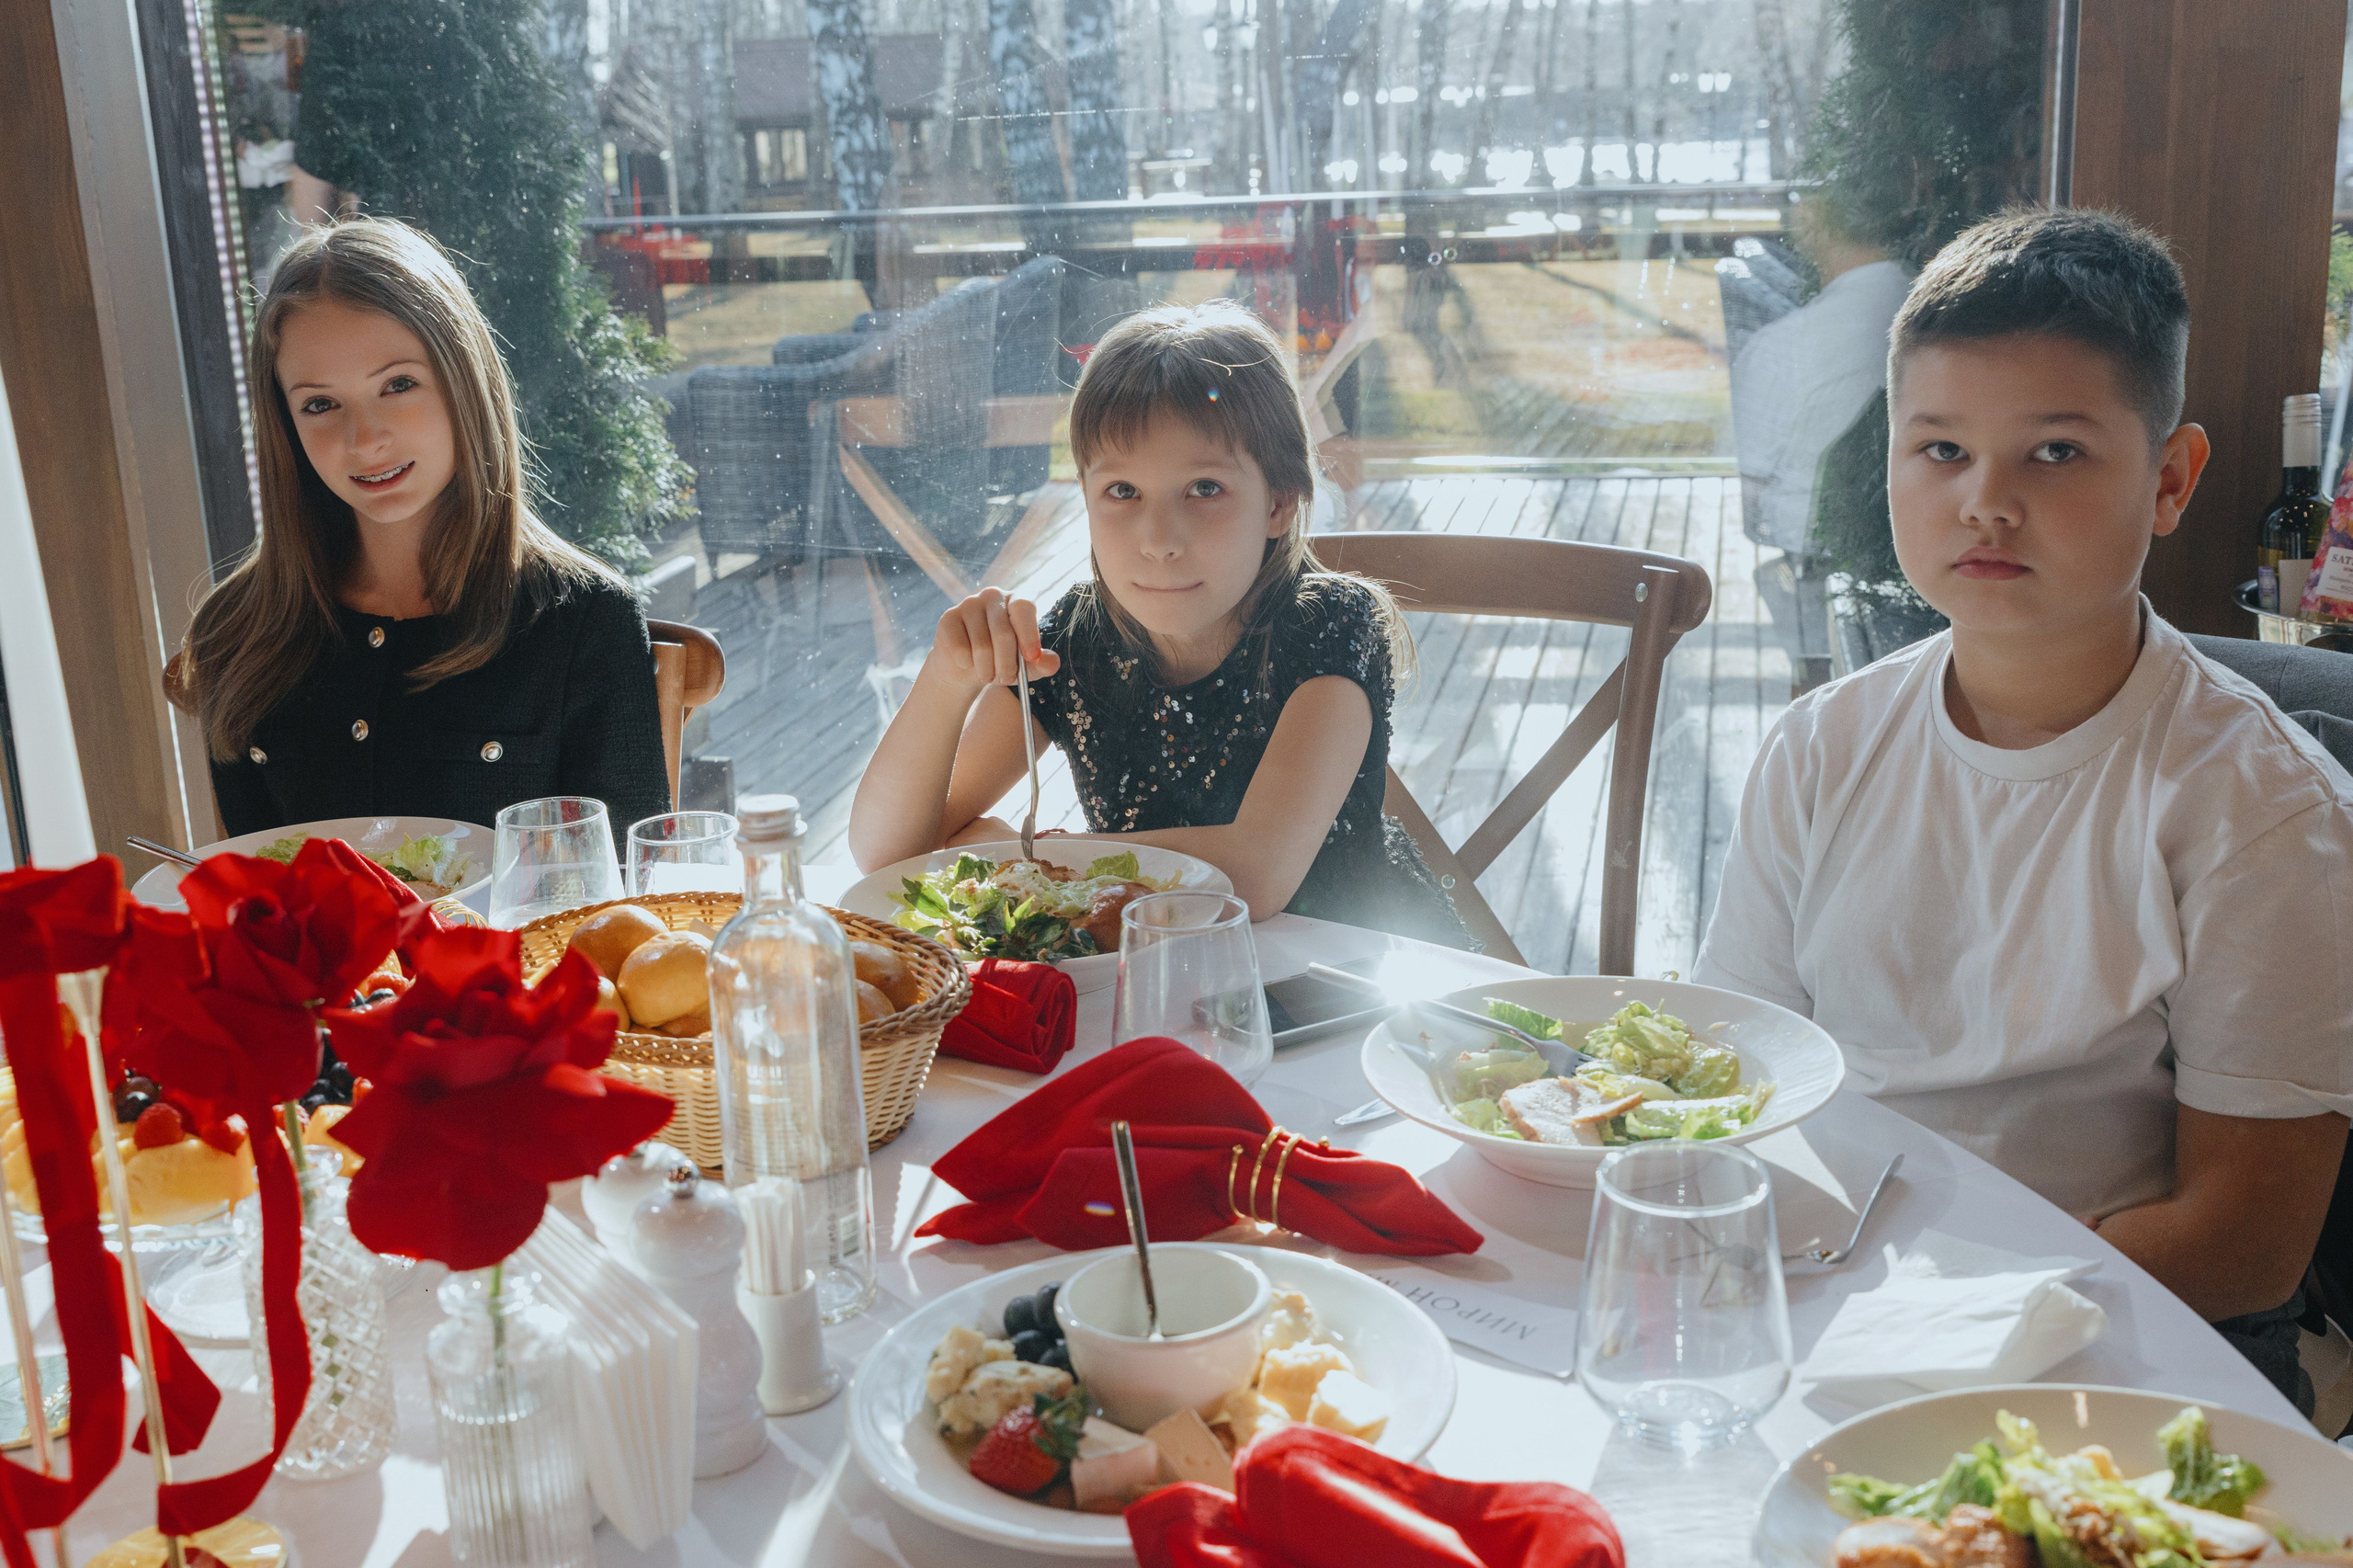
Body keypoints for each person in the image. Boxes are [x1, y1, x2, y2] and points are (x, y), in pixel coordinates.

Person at [1694, 207, 2353, 1413]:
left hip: (2117, 1342)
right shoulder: (1821, 746)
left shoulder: (2260, 810)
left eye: (2054, 452)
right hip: (1826, 1293)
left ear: (2169, 479)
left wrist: (1923, 1318)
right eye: (1941, 449)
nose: (1984, 502)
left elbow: (2244, 1240)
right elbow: (1737, 1075)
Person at [849, 300, 1472, 948]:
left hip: (1350, 980)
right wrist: (947, 679)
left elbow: (1256, 873)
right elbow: (889, 851)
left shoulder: (1331, 623)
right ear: (1085, 498)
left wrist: (1037, 856)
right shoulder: (1078, 640)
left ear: (1279, 502)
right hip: (1161, 981)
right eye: (1123, 492)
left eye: (1204, 489)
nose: (1159, 541)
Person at [176, 217, 671, 838]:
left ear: (464, 382)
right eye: (320, 404)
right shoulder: (236, 633)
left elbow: (627, 886)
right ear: (285, 425)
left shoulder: (585, 623)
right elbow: (250, 880)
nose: (365, 440)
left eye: (398, 385)